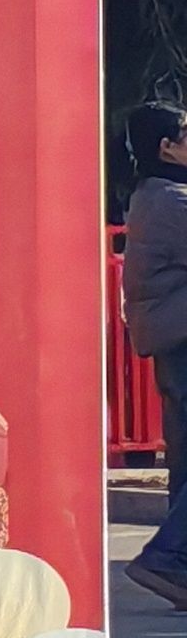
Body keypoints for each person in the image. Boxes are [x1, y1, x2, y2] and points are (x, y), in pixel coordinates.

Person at [126, 100, 187, 611]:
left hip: (173, 341)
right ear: (167, 147)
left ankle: (177, 568)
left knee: (184, 462)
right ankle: (167, 557)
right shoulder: (172, 200)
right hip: (183, 339)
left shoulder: (155, 195)